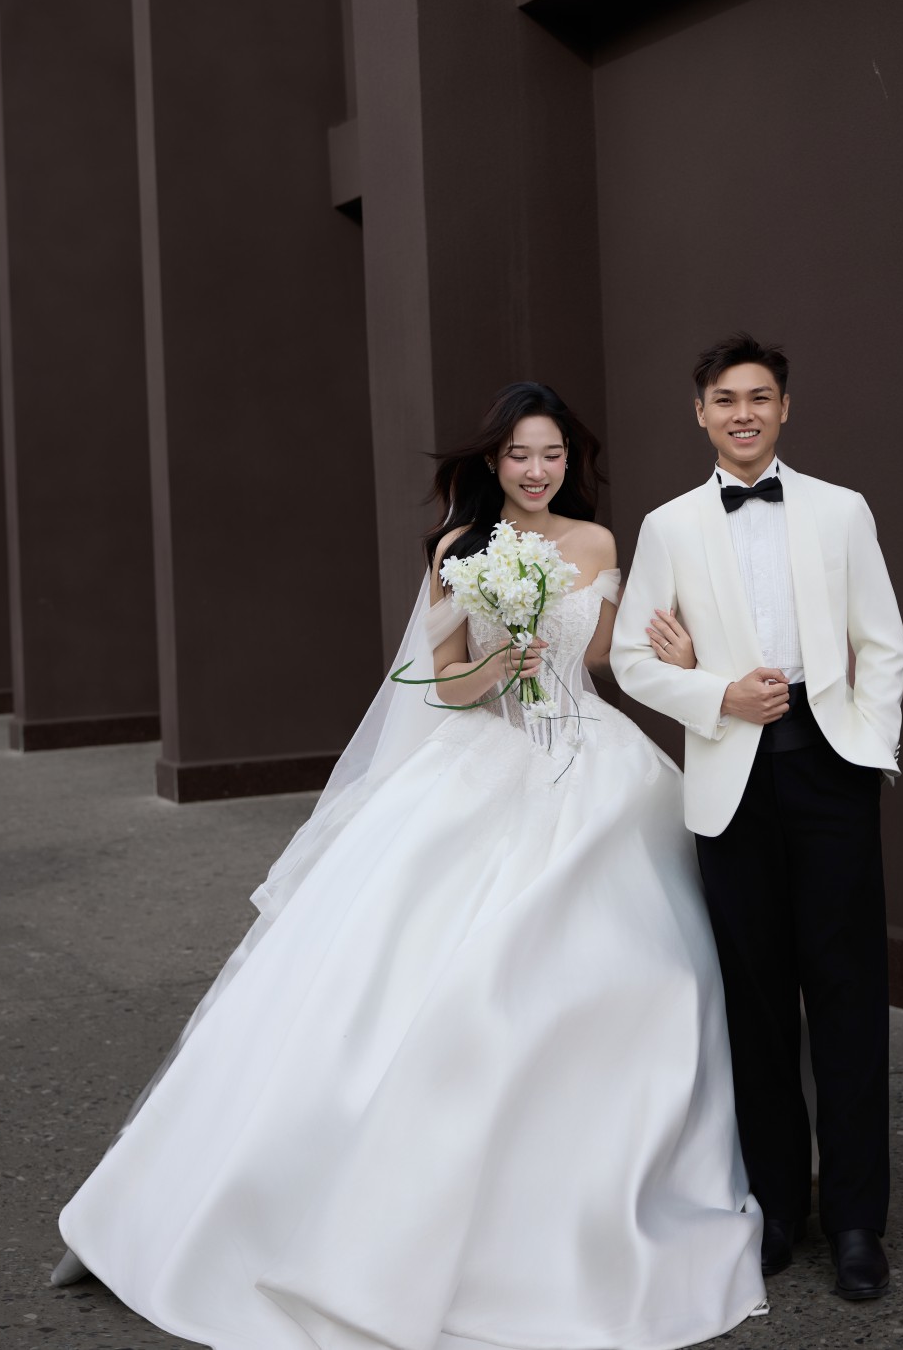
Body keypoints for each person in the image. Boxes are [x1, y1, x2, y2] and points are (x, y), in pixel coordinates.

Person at [52, 381, 767, 1348]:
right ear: (493, 461)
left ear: (571, 462)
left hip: (592, 763)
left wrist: (663, 648)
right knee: (408, 975)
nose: (535, 470)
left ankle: (605, 1190)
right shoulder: (458, 549)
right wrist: (497, 665)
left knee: (642, 968)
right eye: (519, 454)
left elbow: (603, 660)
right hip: (484, 759)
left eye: (552, 454)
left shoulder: (598, 544)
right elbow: (437, 684)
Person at [611, 334, 903, 1303]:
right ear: (699, 413)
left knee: (848, 993)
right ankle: (776, 1206)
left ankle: (856, 1219)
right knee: (756, 999)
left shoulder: (840, 509)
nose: (743, 413)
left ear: (784, 408)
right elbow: (631, 658)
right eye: (725, 399)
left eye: (759, 397)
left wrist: (867, 745)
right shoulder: (668, 526)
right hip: (729, 782)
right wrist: (715, 694)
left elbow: (881, 641)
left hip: (831, 773)